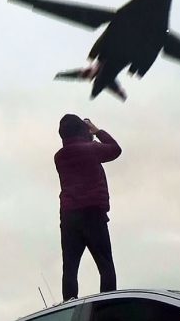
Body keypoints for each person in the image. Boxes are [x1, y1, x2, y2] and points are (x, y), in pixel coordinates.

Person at [54, 114, 122, 301]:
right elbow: (116, 150)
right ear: (82, 131)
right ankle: (106, 309)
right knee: (105, 266)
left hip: (69, 218)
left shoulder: (59, 157)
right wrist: (96, 130)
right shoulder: (91, 149)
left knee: (70, 268)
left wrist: (86, 132)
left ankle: (68, 306)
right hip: (93, 214)